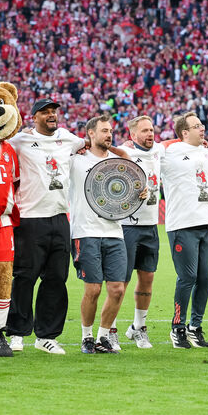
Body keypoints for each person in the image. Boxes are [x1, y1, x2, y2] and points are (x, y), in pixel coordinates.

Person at [5, 99, 86, 355]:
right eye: (45, 112)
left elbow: (92, 143)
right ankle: (17, 332)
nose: (51, 115)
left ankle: (46, 336)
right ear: (34, 118)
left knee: (56, 279)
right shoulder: (20, 140)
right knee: (24, 277)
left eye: (54, 111)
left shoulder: (68, 138)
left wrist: (124, 147)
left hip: (60, 217)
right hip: (30, 218)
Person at [69, 115, 139, 354]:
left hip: (114, 232)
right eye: (104, 131)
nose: (109, 135)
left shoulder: (118, 162)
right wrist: (81, 145)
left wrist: (140, 191)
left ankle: (103, 336)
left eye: (110, 131)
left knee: (117, 289)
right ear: (90, 133)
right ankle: (86, 337)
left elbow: (132, 187)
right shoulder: (76, 160)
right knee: (93, 289)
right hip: (85, 232)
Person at [161, 112, 208, 349]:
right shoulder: (170, 152)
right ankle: (177, 327)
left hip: (207, 223)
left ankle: (195, 327)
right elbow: (147, 151)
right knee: (187, 277)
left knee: (204, 278)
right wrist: (173, 141)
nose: (202, 128)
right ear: (184, 132)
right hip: (182, 224)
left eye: (202, 125)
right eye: (196, 126)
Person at [119, 115, 164, 349]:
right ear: (133, 135)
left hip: (151, 225)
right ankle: (110, 329)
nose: (150, 134)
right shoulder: (123, 152)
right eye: (145, 130)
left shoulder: (158, 150)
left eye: (152, 130)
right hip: (128, 226)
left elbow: (172, 144)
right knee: (121, 281)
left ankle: (139, 327)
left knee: (147, 278)